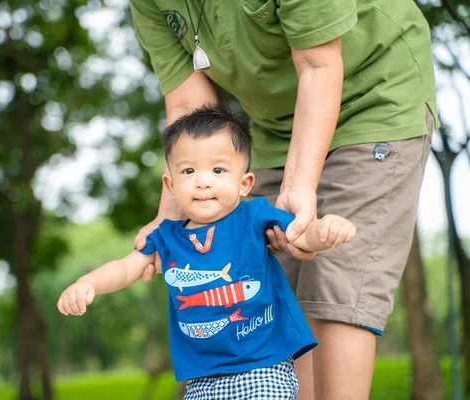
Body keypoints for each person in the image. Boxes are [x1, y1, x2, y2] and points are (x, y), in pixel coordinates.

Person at [128, 0, 437, 398]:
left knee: (335, 284)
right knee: (269, 287)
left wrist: (298, 186)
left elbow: (318, 63)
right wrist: (169, 216)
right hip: (277, 124)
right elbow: (189, 109)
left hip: (374, 95)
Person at [58, 106, 356, 399]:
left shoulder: (254, 216)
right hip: (202, 376)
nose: (203, 181)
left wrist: (324, 230)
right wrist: (89, 283)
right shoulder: (166, 236)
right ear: (170, 186)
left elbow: (300, 235)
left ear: (244, 184)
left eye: (218, 169)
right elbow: (126, 268)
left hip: (262, 365)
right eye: (189, 170)